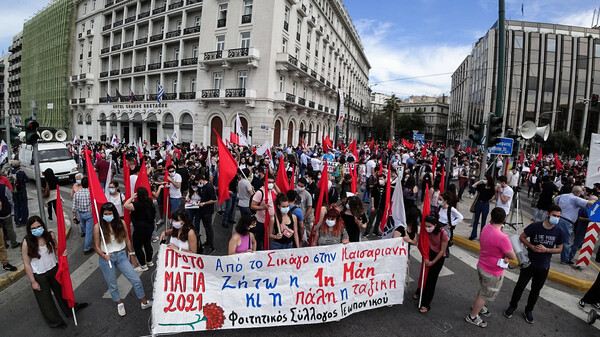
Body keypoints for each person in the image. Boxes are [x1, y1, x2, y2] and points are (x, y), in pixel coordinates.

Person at [21, 216, 88, 328]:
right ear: (29, 230)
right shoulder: (26, 243)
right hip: (39, 274)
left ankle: (70, 307)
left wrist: (62, 254)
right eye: (34, 228)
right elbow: (27, 264)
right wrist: (33, 281)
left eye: (39, 226)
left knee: (62, 291)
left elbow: (57, 249)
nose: (37, 229)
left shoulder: (50, 235)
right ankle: (55, 321)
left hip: (54, 269)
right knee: (45, 300)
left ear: (43, 226)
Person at [504, 205, 565, 324]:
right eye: (554, 215)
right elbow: (522, 237)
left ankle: (529, 310)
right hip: (529, 263)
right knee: (519, 287)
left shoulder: (559, 231)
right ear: (548, 214)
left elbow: (559, 249)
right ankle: (512, 306)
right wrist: (531, 246)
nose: (556, 218)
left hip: (544, 266)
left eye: (558, 216)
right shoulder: (535, 226)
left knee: (535, 291)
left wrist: (546, 250)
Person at [94, 202, 152, 317]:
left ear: (114, 213)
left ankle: (144, 302)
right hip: (107, 258)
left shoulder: (121, 223)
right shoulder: (98, 227)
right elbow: (96, 246)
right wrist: (103, 255)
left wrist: (132, 255)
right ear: (102, 215)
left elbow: (127, 240)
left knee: (136, 280)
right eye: (105, 214)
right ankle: (119, 304)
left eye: (110, 213)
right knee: (112, 284)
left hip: (121, 256)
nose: (108, 216)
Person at [466, 208, 516, 328]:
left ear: (491, 217)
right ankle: (473, 316)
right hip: (493, 271)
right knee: (485, 294)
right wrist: (507, 256)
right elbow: (512, 256)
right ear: (504, 220)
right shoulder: (503, 238)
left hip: (482, 265)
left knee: (484, 290)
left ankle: (478, 306)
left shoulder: (486, 228)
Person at [414, 214, 449, 313]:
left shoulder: (443, 234)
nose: (427, 228)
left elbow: (442, 251)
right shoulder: (426, 232)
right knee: (424, 275)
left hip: (438, 257)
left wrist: (432, 262)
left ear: (435, 224)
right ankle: (419, 291)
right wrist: (425, 257)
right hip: (428, 254)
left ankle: (425, 303)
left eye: (429, 226)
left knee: (431, 281)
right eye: (425, 226)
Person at [553, 186, 596, 264]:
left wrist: (558, 210)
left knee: (553, 236)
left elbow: (555, 200)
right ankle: (565, 259)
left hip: (558, 218)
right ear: (577, 193)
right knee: (566, 241)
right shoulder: (575, 199)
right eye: (580, 193)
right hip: (566, 221)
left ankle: (545, 251)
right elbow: (589, 203)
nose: (581, 194)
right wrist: (594, 199)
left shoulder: (563, 195)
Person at [123, 187, 155, 272]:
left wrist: (132, 197)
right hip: (150, 227)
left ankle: (143, 265)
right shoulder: (150, 202)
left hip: (140, 228)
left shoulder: (138, 205)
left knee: (138, 246)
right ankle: (149, 261)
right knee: (147, 243)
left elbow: (126, 205)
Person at [250, 175, 276, 250]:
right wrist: (263, 207)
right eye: (269, 182)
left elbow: (280, 193)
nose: (271, 184)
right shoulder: (260, 193)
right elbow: (252, 206)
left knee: (267, 239)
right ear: (264, 182)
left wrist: (275, 185)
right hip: (261, 222)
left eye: (272, 182)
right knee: (259, 240)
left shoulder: (271, 190)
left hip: (270, 221)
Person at [469, 175, 496, 241]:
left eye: (485, 179)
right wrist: (480, 181)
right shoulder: (481, 186)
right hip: (479, 203)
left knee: (483, 221)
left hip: (485, 204)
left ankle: (482, 236)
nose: (484, 180)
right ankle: (473, 234)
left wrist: (491, 200)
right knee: (476, 220)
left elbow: (495, 195)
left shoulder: (492, 188)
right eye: (484, 179)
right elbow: (473, 186)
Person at [72, 177, 94, 254]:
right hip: (89, 214)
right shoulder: (90, 194)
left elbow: (74, 207)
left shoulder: (77, 194)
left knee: (85, 230)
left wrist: (74, 216)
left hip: (80, 214)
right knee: (89, 232)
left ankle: (87, 241)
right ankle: (86, 248)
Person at [197, 174, 217, 254]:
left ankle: (212, 246)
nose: (198, 184)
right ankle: (208, 242)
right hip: (202, 210)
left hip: (208, 211)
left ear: (201, 180)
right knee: (205, 227)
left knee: (209, 228)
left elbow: (214, 200)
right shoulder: (203, 187)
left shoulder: (209, 187)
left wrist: (204, 203)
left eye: (198, 182)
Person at [11, 161, 29, 227]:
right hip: (22, 191)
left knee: (16, 206)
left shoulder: (10, 173)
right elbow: (27, 180)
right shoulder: (21, 172)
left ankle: (17, 221)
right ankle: (24, 220)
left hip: (15, 192)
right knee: (24, 206)